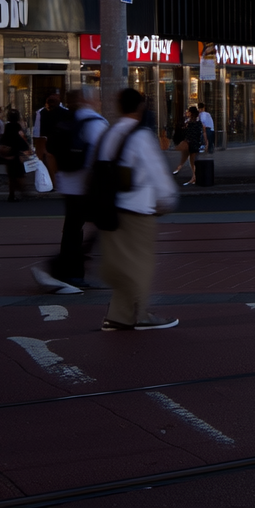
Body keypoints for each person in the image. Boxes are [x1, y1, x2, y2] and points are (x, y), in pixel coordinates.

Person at [90, 86, 180, 331]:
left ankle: (119, 315)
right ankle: (139, 315)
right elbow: (156, 172)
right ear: (140, 108)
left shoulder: (108, 134)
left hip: (110, 211)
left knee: (123, 265)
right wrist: (167, 200)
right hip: (137, 210)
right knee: (139, 265)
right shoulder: (140, 136)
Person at [33, 87, 105, 295]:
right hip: (88, 186)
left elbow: (50, 152)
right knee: (105, 225)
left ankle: (69, 271)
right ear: (88, 100)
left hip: (69, 184)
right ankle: (62, 268)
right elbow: (103, 156)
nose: (99, 102)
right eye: (97, 98)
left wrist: (58, 180)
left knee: (73, 229)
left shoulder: (64, 121)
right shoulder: (95, 122)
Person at [0, 108, 29, 201]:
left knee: (11, 176)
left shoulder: (7, 127)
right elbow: (21, 139)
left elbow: (4, 139)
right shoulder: (17, 127)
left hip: (9, 154)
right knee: (20, 174)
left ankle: (12, 195)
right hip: (16, 154)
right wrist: (25, 148)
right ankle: (23, 191)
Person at [174, 107, 203, 186]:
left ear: (191, 113)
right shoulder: (198, 123)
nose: (187, 113)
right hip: (195, 143)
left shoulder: (188, 123)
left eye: (188, 112)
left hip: (189, 143)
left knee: (191, 162)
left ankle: (193, 177)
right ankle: (194, 177)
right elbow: (200, 134)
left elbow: (186, 134)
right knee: (192, 161)